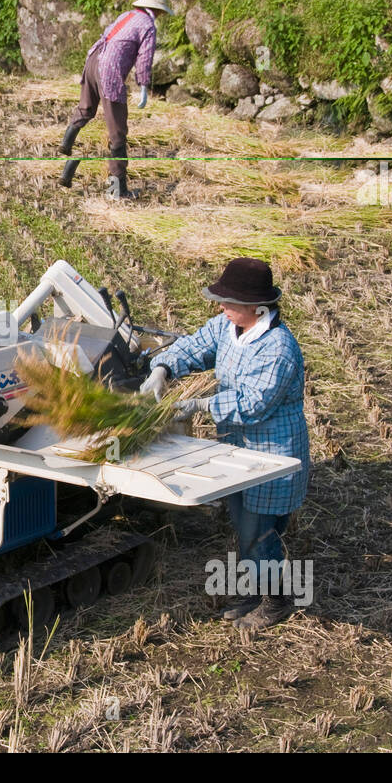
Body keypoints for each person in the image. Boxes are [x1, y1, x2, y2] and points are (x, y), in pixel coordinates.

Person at [141, 258, 310, 630]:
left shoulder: (278, 348)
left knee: (258, 532)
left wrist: (200, 404)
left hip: (272, 454)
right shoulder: (227, 326)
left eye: (229, 302)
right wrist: (162, 369)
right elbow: (194, 347)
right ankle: (255, 591)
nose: (221, 307)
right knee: (242, 525)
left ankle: (277, 600)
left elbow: (253, 403)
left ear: (258, 308)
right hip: (234, 449)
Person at [57, 0, 172, 200]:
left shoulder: (127, 15)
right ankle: (117, 191)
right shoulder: (148, 25)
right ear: (158, 10)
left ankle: (66, 143)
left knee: (86, 108)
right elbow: (144, 58)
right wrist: (144, 86)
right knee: (117, 135)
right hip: (109, 70)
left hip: (93, 60)